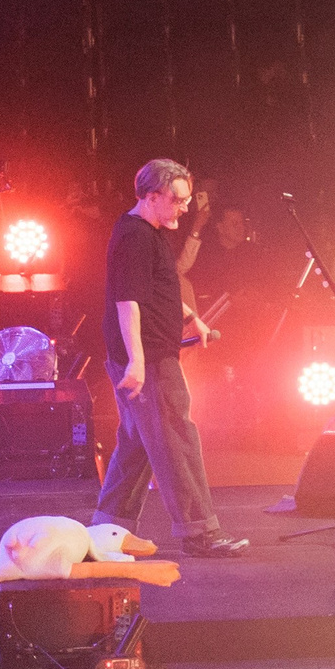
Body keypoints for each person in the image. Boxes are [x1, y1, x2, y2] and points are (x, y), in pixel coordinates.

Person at [91, 159, 247, 556]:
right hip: (150, 359)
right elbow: (128, 303)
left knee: (138, 442)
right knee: (176, 438)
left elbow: (163, 287)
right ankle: (200, 533)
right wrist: (137, 361)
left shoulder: (152, 231)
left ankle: (108, 531)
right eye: (177, 200)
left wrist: (192, 318)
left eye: (187, 200)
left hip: (151, 355)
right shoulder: (134, 237)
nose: (183, 208)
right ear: (151, 195)